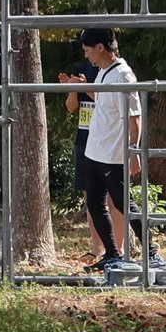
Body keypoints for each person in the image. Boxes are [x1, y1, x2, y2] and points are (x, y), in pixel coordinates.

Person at [75, 28, 144, 271]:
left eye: (87, 50)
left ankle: (151, 251)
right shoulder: (103, 72)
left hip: (113, 153)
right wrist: (83, 87)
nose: (86, 56)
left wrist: (133, 151)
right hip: (94, 151)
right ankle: (112, 253)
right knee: (95, 204)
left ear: (100, 47)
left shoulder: (123, 75)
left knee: (124, 203)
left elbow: (135, 117)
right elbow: (103, 101)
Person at [58, 56, 128, 264]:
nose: (87, 55)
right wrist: (73, 89)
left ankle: (119, 249)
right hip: (85, 140)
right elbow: (71, 107)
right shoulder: (83, 68)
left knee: (114, 199)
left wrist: (86, 86)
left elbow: (106, 100)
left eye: (89, 49)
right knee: (92, 199)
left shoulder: (116, 73)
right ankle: (98, 248)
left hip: (110, 141)